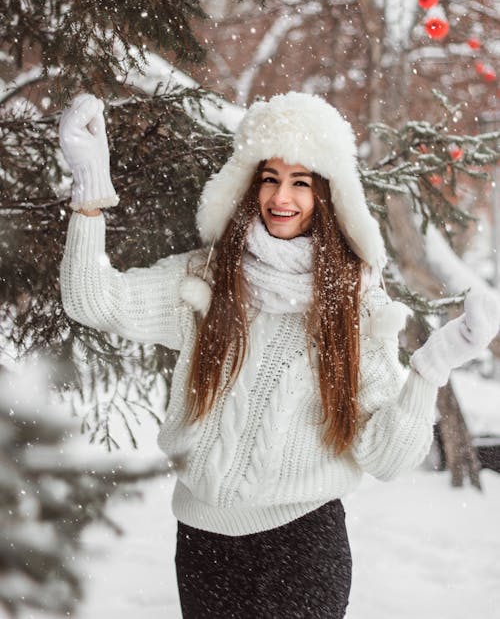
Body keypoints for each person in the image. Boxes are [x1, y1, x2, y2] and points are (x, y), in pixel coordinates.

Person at [59, 91, 500, 618]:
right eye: (270, 178)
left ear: (328, 196)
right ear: (249, 185)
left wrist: (432, 366)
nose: (281, 196)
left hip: (302, 546)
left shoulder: (353, 304)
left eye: (301, 182)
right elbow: (94, 300)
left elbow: (386, 457)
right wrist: (89, 191)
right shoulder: (207, 278)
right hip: (204, 548)